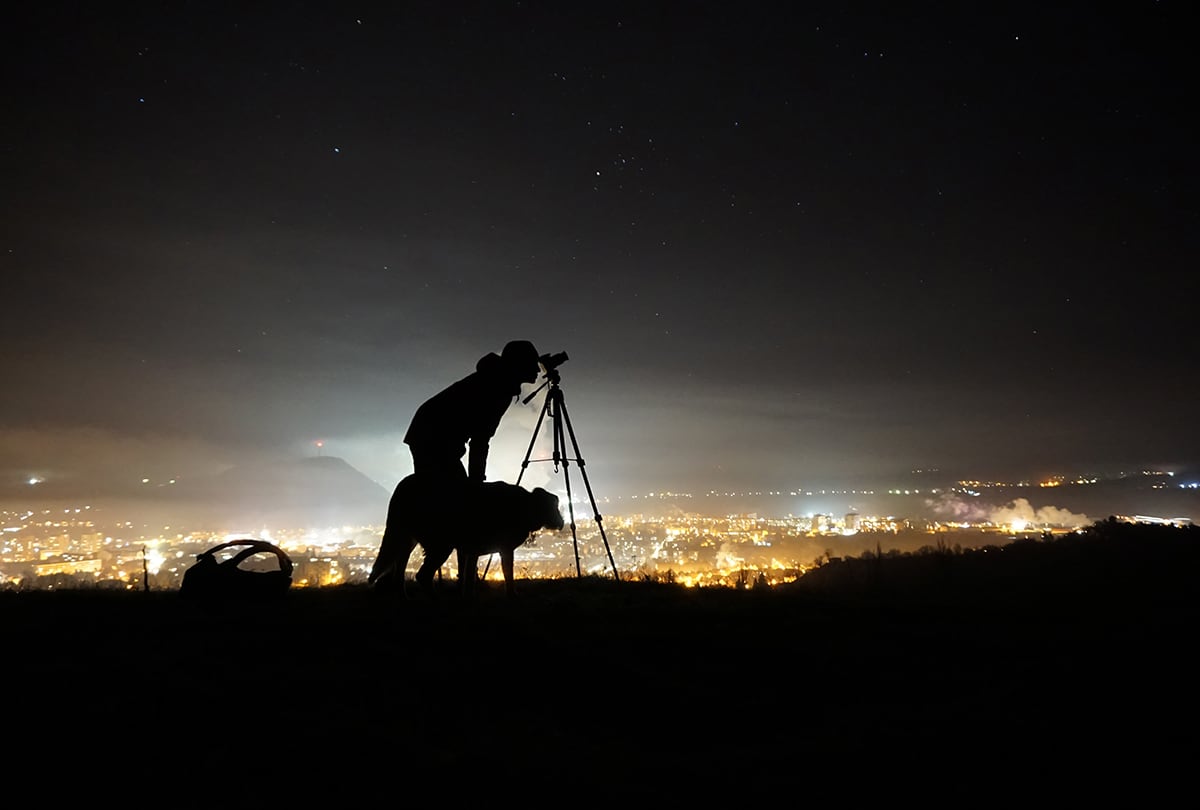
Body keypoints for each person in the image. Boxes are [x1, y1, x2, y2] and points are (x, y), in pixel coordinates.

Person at [404, 340, 542, 487]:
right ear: (520, 364)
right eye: (533, 364)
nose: (538, 370)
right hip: (432, 435)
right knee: (449, 492)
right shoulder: (498, 388)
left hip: (428, 431)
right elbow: (480, 440)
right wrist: (477, 482)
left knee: (445, 490)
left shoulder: (495, 379)